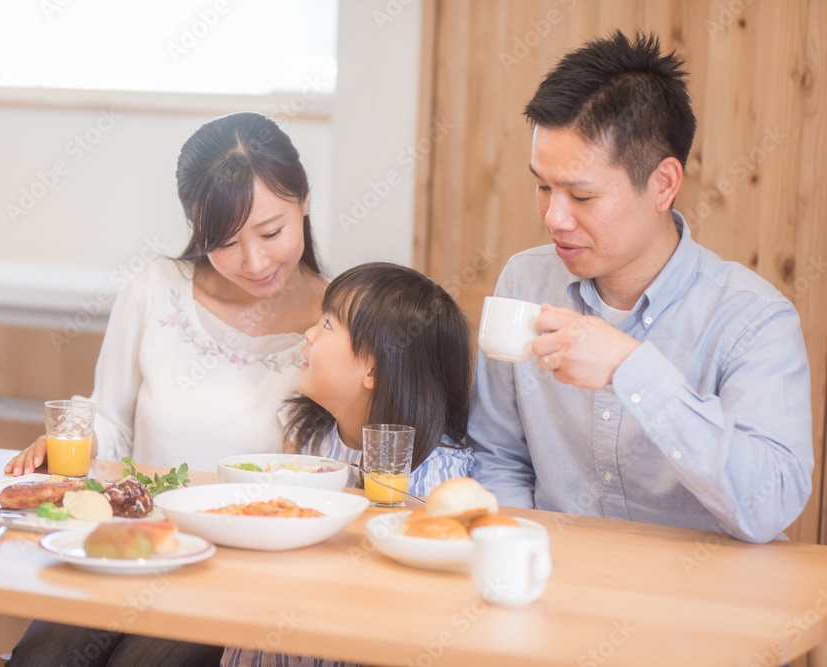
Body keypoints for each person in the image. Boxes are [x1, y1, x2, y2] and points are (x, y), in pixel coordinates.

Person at [6, 111, 328, 666]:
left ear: (303, 202)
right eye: (225, 242)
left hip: (240, 564)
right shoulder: (156, 290)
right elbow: (110, 420)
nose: (254, 262)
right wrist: (69, 444)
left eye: (272, 232)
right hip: (134, 538)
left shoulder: (338, 322)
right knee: (44, 656)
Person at [467, 31, 813, 544]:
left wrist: (634, 372)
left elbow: (769, 506)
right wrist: (523, 552)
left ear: (663, 184)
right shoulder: (526, 279)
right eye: (543, 187)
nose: (554, 217)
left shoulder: (753, 319)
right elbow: (497, 456)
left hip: (705, 606)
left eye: (581, 196)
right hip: (554, 585)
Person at [222, 262, 475, 667]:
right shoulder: (306, 438)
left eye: (327, 325)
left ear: (373, 368)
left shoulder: (438, 477)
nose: (308, 332)